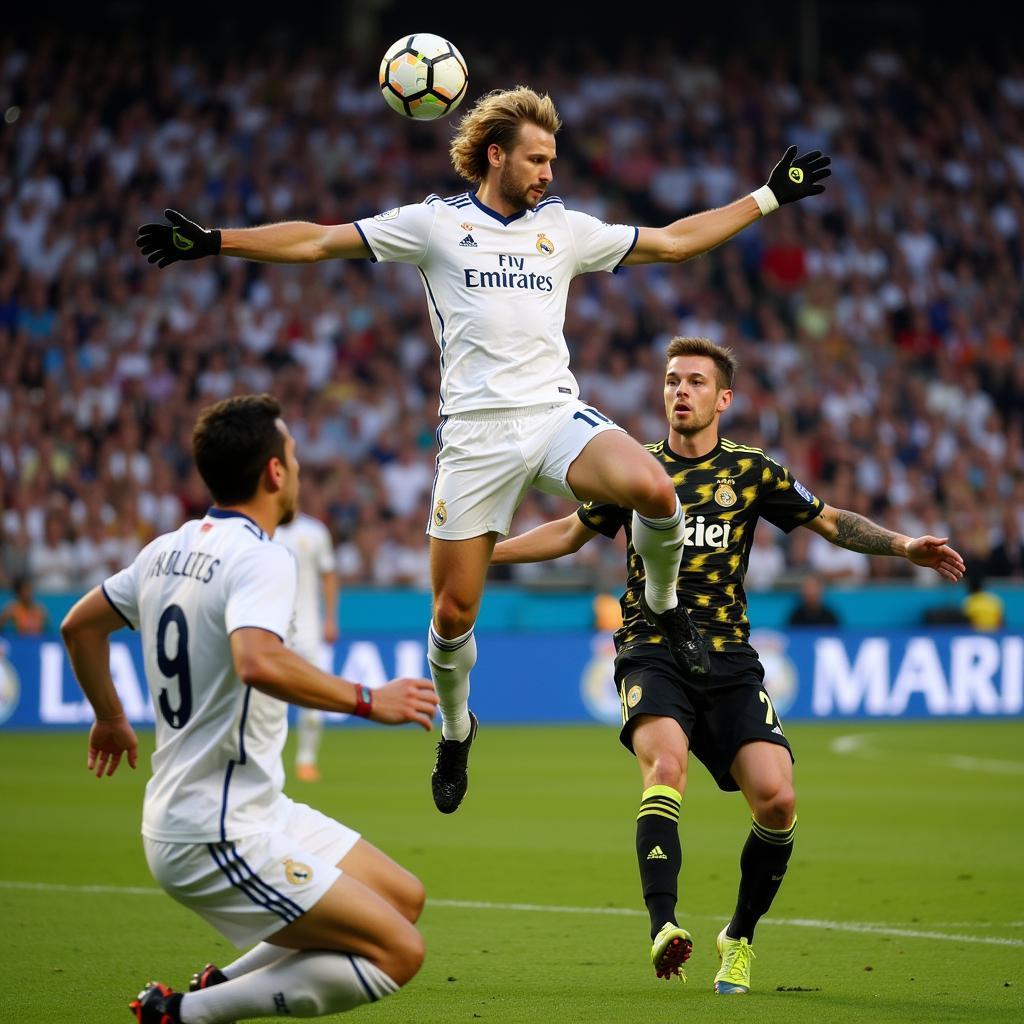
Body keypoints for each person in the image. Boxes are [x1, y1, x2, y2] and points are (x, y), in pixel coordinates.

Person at [137, 86, 831, 814]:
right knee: (453, 613)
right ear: (496, 155)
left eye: (553, 161)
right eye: (536, 159)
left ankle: (666, 608)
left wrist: (767, 197)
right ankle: (457, 726)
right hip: (474, 441)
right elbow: (318, 239)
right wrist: (218, 241)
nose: (548, 174)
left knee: (656, 490)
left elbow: (673, 240)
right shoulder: (434, 226)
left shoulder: (563, 230)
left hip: (555, 416)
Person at [491, 337, 965, 994]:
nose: (679, 391)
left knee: (777, 800)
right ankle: (665, 927)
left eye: (694, 382)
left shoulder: (751, 471)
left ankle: (738, 935)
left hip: (732, 659)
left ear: (723, 398)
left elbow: (829, 521)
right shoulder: (634, 470)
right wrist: (484, 553)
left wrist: (904, 544)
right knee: (665, 768)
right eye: (671, 381)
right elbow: (570, 534)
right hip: (652, 648)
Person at [60, 394, 439, 1024]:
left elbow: (79, 626)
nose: (296, 466)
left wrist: (109, 716)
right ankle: (184, 1014)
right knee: (398, 952)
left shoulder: (165, 549)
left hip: (250, 806)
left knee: (402, 898)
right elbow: (258, 661)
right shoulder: (262, 556)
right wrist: (371, 700)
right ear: (274, 472)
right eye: (292, 454)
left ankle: (217, 980)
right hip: (213, 828)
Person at [274, 510, 339, 782]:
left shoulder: (315, 532)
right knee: (267, 703)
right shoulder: (262, 530)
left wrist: (331, 619)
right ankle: (269, 762)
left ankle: (306, 760)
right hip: (272, 630)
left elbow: (328, 576)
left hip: (309, 630)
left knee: (313, 700)